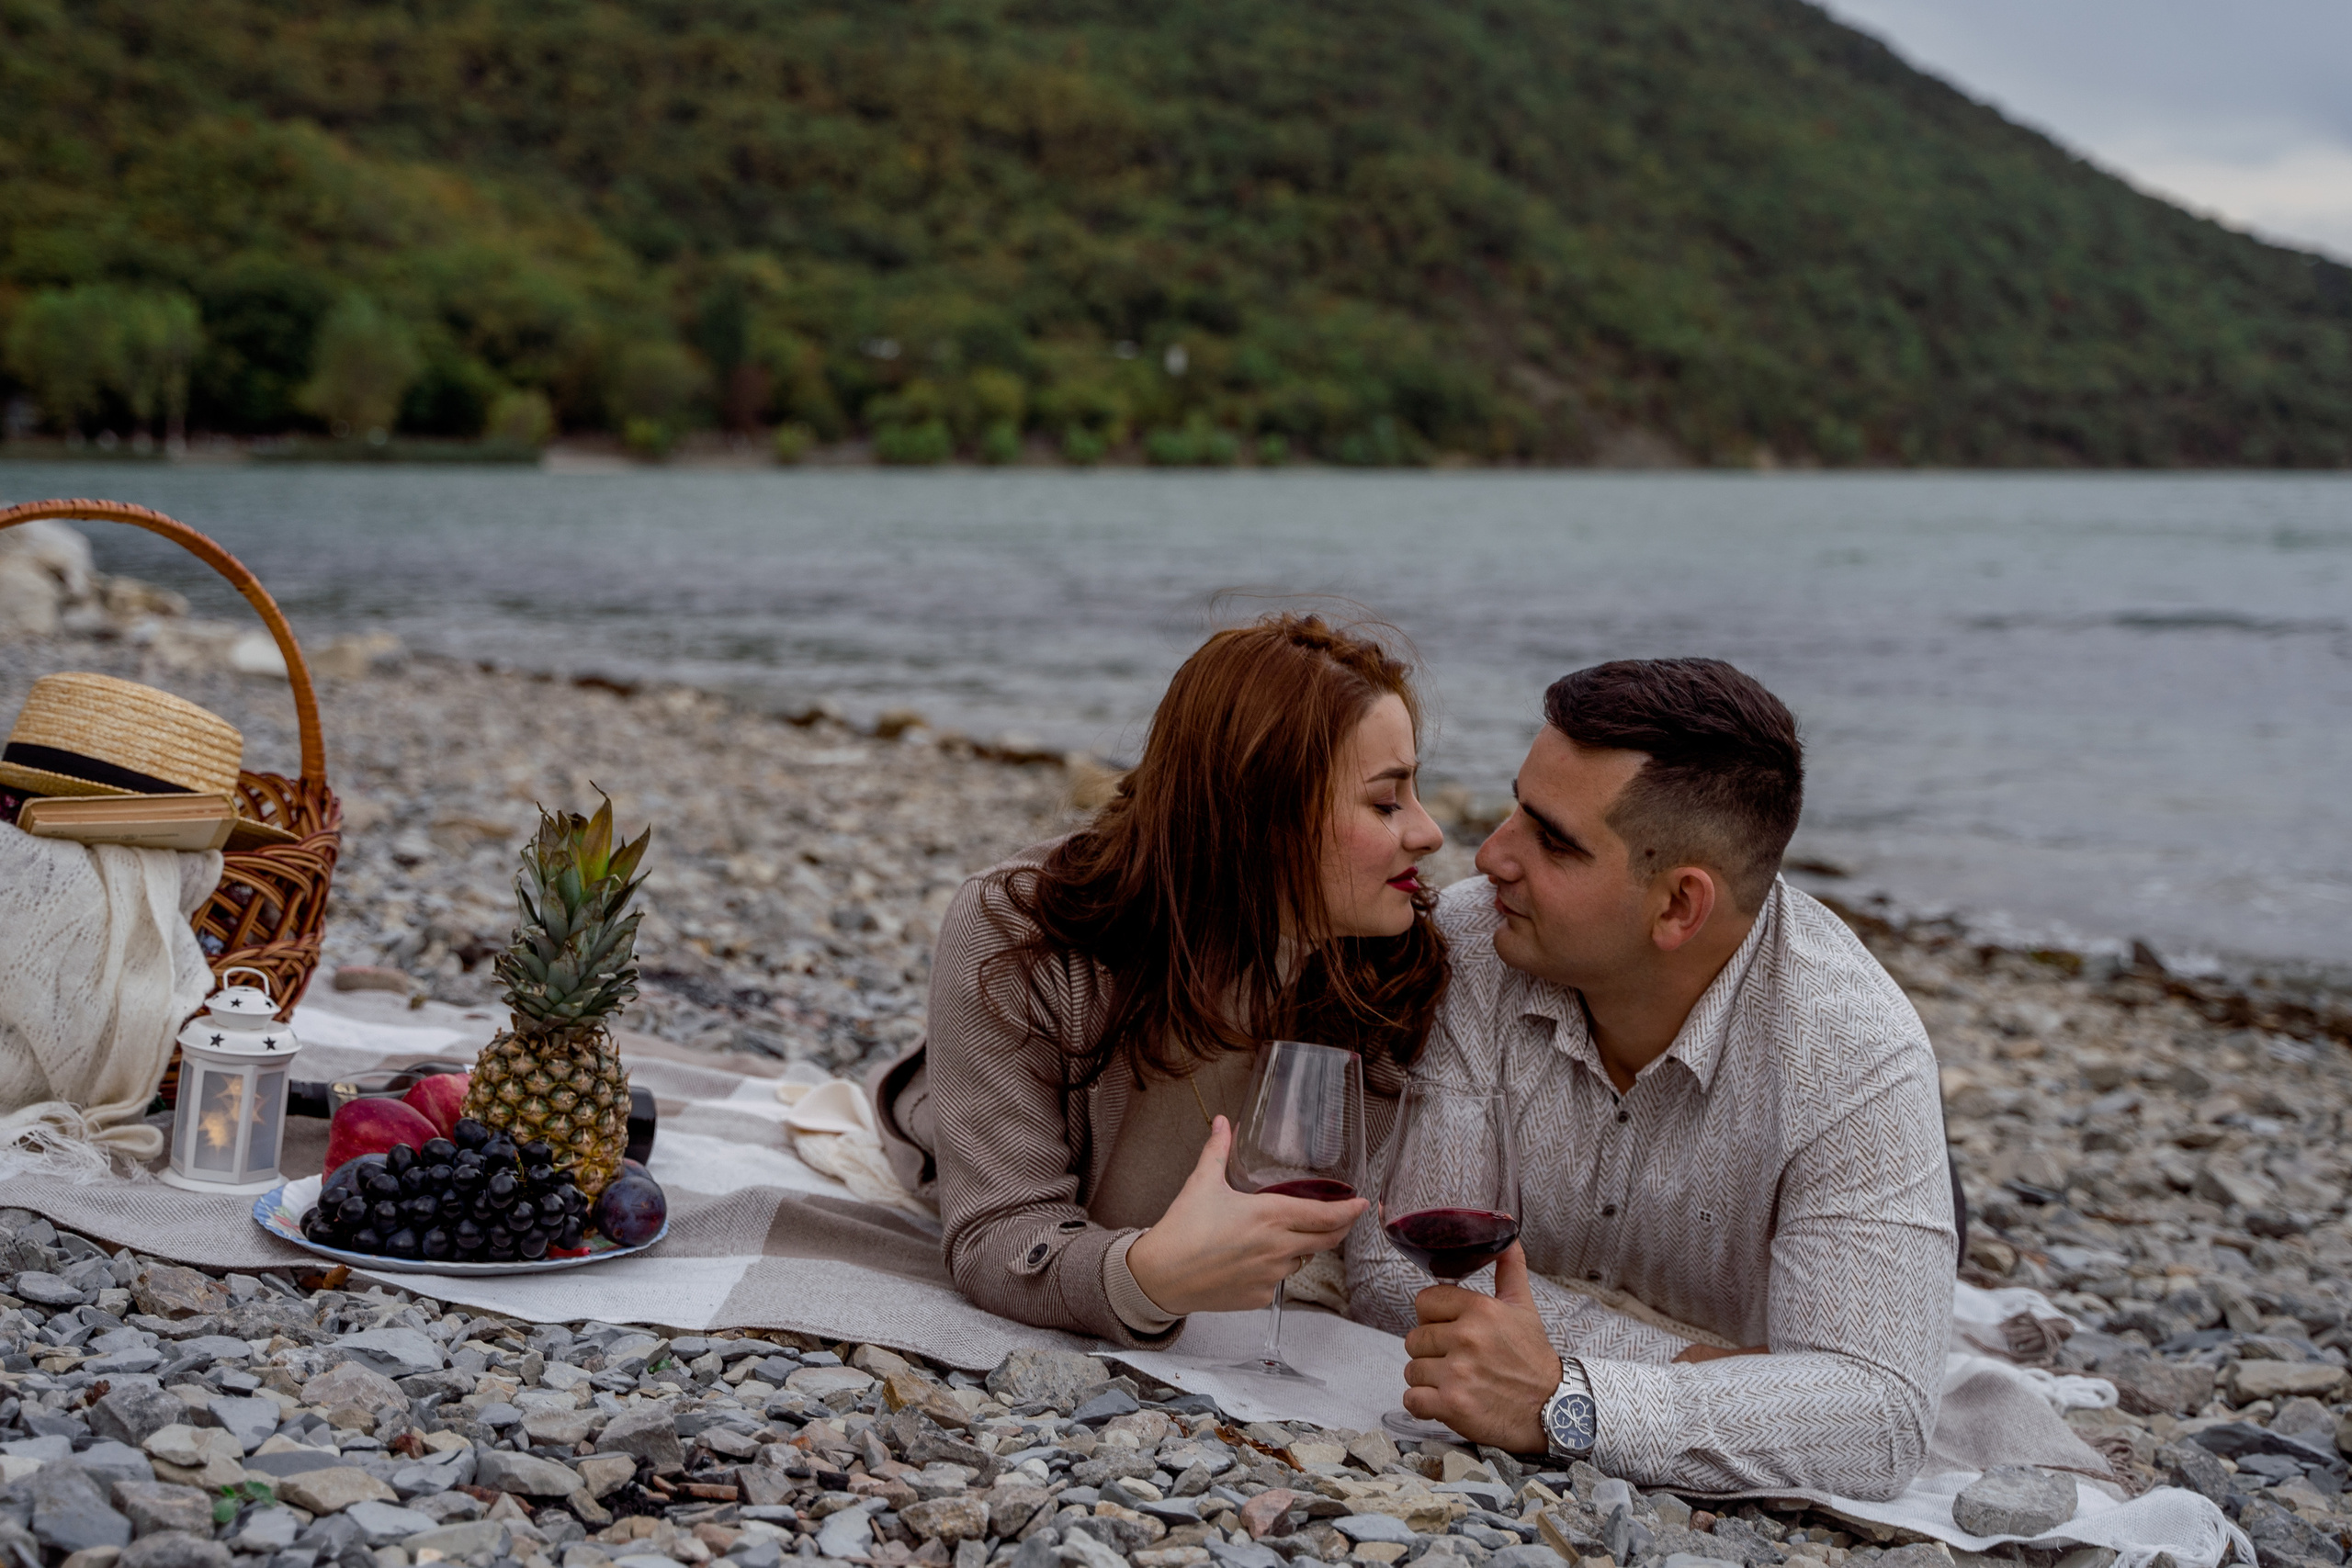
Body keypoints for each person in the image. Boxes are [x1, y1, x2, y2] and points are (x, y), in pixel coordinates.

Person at [1350, 658, 1954, 1499]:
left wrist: (1566, 1396)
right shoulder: (1470, 947)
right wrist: (1708, 1369)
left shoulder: (1855, 1053)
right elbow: (1383, 1258)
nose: (1489, 855)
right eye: (1515, 805)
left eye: (1552, 839)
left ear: (1679, 906)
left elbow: (1879, 1417)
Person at [873, 614, 1449, 1347]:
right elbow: (999, 1233)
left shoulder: (1387, 952)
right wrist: (1149, 1280)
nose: (1430, 833)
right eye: (1386, 800)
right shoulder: (1020, 933)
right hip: (959, 1124)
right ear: (1260, 812)